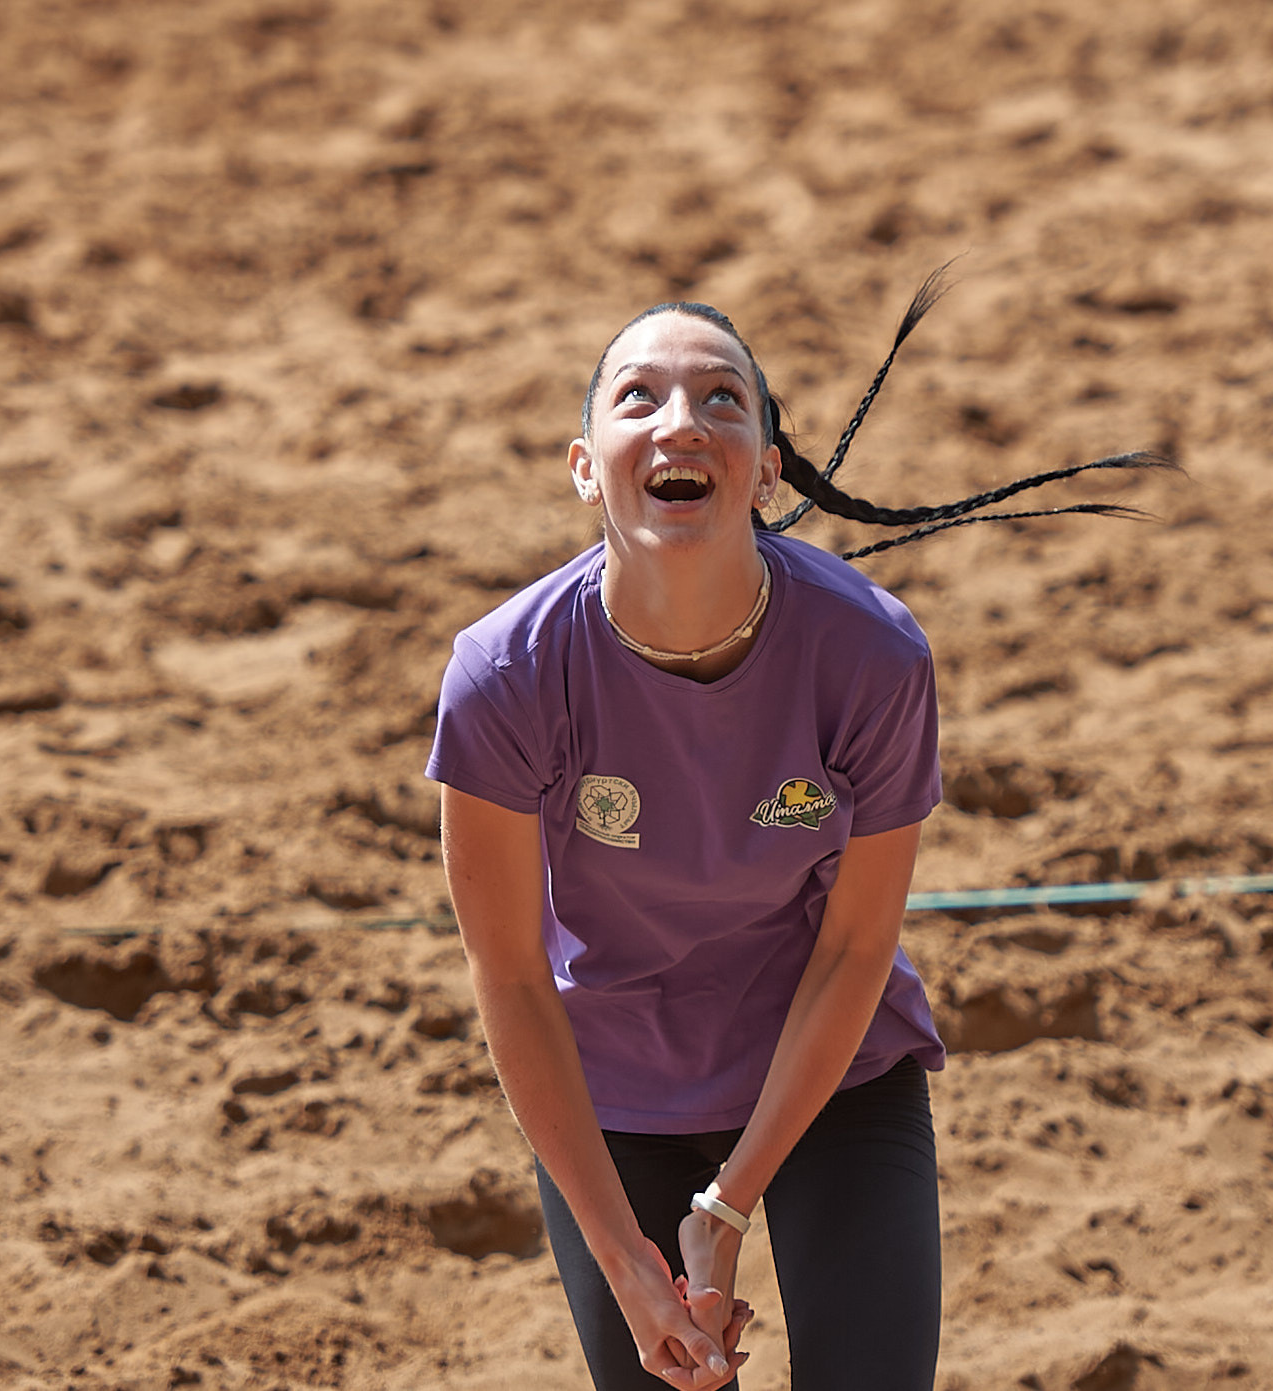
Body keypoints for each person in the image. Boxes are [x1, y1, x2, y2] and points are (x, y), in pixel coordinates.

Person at [429, 280, 1160, 1390]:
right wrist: (626, 1260)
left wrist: (728, 1203)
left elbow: (856, 949)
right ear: (585, 465)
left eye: (724, 399)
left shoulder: (871, 654)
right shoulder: (504, 672)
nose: (681, 422)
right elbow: (513, 977)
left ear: (766, 466)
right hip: (614, 1089)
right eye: (639, 397)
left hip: (830, 1073)